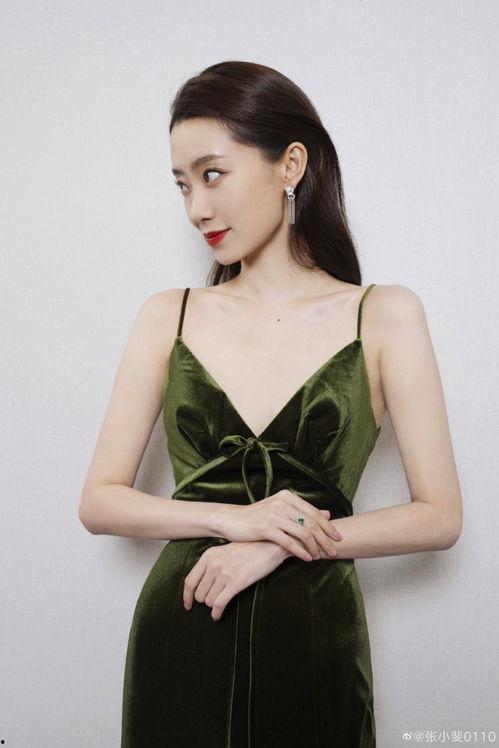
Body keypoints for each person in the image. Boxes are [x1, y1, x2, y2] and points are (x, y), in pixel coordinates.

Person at [79, 61, 463, 747]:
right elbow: (99, 502)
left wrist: (274, 546)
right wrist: (234, 520)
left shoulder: (385, 315)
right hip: (185, 623)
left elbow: (439, 516)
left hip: (314, 634)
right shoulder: (167, 315)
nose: (196, 208)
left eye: (213, 174)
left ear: (290, 165)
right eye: (182, 184)